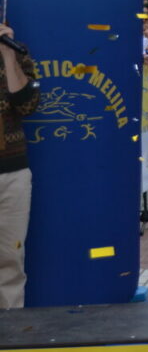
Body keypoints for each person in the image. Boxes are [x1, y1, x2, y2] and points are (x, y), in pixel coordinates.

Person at [0, 23, 40, 308]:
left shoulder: (17, 53)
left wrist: (8, 54)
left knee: (10, 260)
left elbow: (28, 105)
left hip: (11, 173)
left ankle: (10, 339)